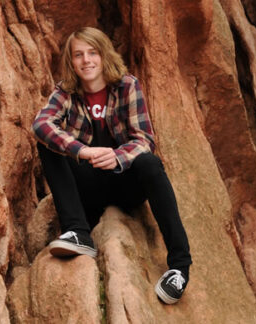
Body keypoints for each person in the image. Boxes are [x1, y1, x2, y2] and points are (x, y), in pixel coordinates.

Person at [32, 27, 192, 304]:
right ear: (71, 62)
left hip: (125, 184)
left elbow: (144, 139)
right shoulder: (66, 92)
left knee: (150, 164)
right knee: (48, 146)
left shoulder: (127, 85)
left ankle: (179, 267)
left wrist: (118, 156)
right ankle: (79, 232)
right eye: (78, 55)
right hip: (88, 188)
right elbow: (41, 124)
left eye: (92, 52)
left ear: (104, 55)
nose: (86, 60)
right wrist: (82, 151)